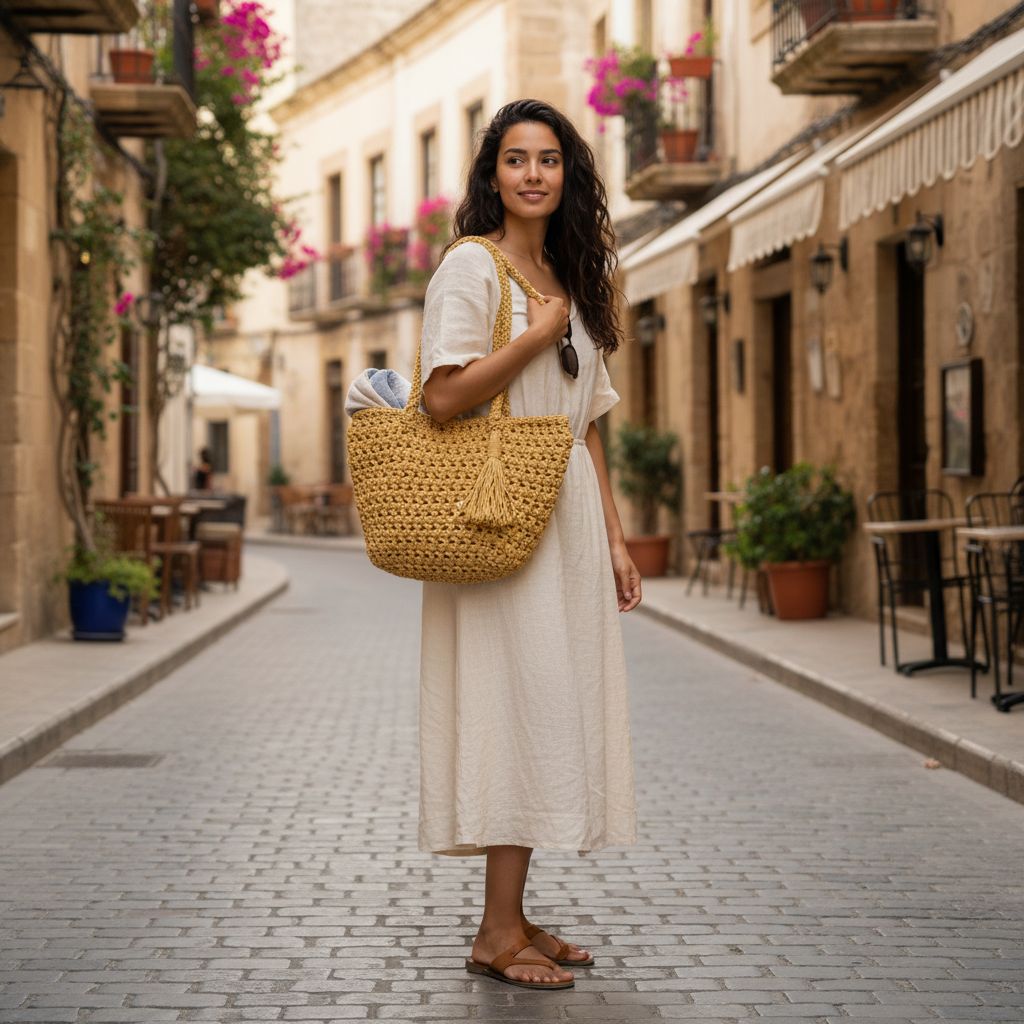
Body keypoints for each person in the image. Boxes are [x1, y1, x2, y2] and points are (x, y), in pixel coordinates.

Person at [418, 98, 640, 991]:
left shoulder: (565, 274)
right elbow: (441, 397)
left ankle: (509, 916)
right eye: (517, 159)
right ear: (493, 174)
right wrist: (538, 336)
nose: (535, 174)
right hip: (501, 520)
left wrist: (619, 542)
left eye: (549, 159)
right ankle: (495, 934)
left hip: (570, 526)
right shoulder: (471, 270)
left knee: (549, 713)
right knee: (514, 710)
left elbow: (588, 428)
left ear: (568, 174)